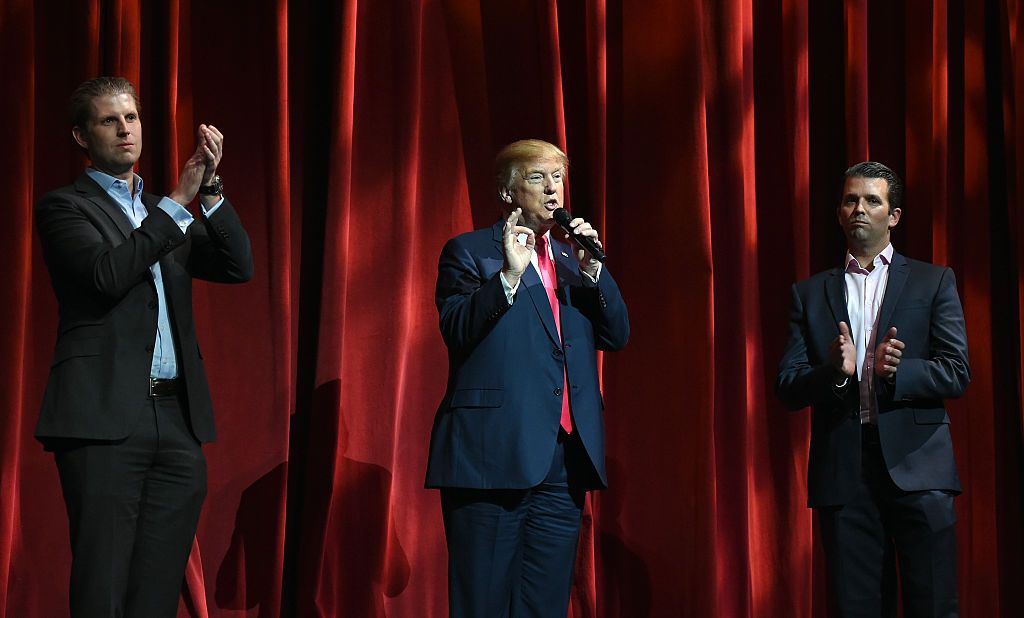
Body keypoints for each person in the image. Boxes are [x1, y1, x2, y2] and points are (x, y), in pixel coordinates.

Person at [34, 76, 253, 617]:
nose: (125, 129)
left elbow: (236, 266)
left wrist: (208, 192)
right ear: (82, 136)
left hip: (176, 420)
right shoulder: (65, 208)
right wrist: (178, 203)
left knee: (156, 590)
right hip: (103, 420)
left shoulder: (164, 210)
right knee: (103, 585)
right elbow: (108, 276)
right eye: (109, 120)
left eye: (130, 117)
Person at [425, 139, 629, 616]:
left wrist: (594, 270)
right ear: (507, 191)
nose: (553, 188)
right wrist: (508, 280)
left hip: (564, 462)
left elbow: (616, 335)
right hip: (492, 456)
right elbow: (455, 330)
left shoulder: (571, 260)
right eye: (537, 177)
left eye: (558, 176)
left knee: (544, 606)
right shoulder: (471, 252)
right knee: (485, 604)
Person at [776, 161, 969, 617]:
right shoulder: (809, 293)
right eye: (850, 200)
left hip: (919, 468)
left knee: (935, 606)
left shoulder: (934, 280)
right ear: (839, 214)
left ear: (894, 215)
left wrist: (899, 372)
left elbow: (958, 371)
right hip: (846, 472)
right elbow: (787, 385)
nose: (859, 208)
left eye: (872, 200)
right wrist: (835, 374)